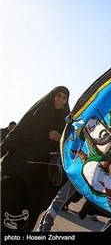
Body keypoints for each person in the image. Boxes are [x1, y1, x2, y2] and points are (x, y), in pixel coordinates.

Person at [0, 86, 70, 232]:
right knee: (7, 203)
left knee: (28, 211)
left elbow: (69, 144)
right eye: (59, 95)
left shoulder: (65, 121)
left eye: (64, 97)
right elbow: (19, 133)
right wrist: (45, 135)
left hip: (40, 174)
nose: (61, 99)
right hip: (20, 166)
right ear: (52, 96)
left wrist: (60, 139)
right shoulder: (38, 113)